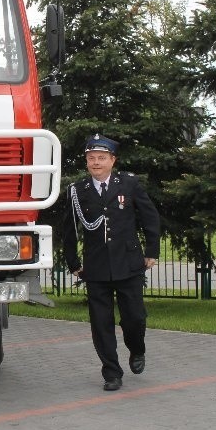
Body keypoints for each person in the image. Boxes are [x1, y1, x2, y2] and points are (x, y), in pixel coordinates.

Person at [62, 134, 160, 391]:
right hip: (95, 267)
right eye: (91, 158)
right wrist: (73, 262)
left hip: (128, 263)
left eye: (101, 158)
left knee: (135, 318)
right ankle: (111, 373)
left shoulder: (128, 184)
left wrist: (152, 250)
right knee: (101, 323)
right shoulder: (77, 191)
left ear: (112, 160)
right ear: (86, 162)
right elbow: (70, 230)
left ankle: (137, 349)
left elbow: (150, 218)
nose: (96, 163)